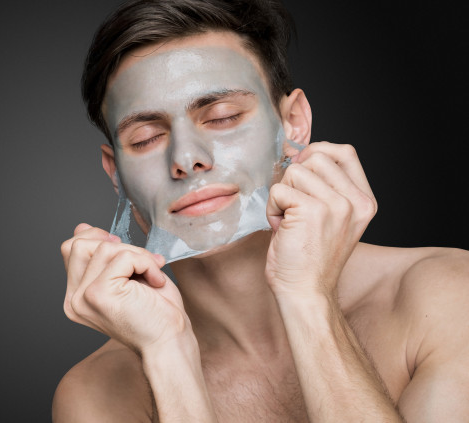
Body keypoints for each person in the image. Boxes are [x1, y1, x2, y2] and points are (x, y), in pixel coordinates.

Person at [53, 0, 469, 421]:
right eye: (145, 138)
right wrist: (169, 353)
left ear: (293, 123)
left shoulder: (448, 295)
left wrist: (309, 299)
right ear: (116, 172)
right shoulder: (97, 395)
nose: (186, 159)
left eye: (222, 117)